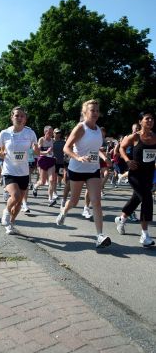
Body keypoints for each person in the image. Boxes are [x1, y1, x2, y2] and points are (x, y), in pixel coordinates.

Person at [56, 99, 112, 249]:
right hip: (77, 169)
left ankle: (99, 236)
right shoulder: (81, 128)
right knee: (74, 201)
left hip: (93, 170)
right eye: (91, 110)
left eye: (96, 110)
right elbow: (66, 148)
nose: (94, 113)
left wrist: (104, 157)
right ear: (85, 112)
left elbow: (96, 149)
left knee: (97, 201)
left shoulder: (98, 130)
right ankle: (64, 212)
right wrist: (78, 157)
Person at [114, 111, 156, 247]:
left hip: (148, 175)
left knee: (136, 199)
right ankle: (145, 235)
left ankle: (121, 219)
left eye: (152, 119)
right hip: (135, 174)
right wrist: (127, 160)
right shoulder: (134, 137)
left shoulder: (155, 137)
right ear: (140, 122)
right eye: (147, 119)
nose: (150, 121)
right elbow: (121, 147)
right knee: (147, 199)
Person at [0, 106, 39, 235]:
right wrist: (0, 154)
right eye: (17, 115)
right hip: (9, 170)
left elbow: (35, 148)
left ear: (25, 119)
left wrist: (36, 149)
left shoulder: (30, 133)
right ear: (12, 117)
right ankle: (6, 212)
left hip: (23, 171)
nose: (19, 118)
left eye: (22, 116)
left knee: (19, 202)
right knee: (16, 196)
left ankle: (11, 223)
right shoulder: (5, 133)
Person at [32, 126, 57, 206]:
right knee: (42, 182)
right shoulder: (41, 140)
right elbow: (37, 152)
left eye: (51, 132)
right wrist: (46, 152)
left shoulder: (53, 140)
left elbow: (53, 150)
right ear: (45, 132)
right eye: (49, 132)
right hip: (43, 160)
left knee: (52, 180)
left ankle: (50, 198)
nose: (50, 134)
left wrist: (52, 153)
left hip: (51, 161)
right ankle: (35, 186)